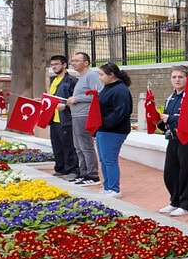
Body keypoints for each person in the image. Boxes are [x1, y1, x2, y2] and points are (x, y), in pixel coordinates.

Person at [157, 65, 188, 217]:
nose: (177, 80)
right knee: (170, 172)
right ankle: (175, 201)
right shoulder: (170, 98)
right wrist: (159, 121)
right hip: (173, 139)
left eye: (180, 77)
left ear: (187, 78)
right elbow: (167, 122)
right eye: (174, 77)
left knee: (186, 172)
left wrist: (170, 118)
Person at [94, 62, 133, 198]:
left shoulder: (120, 90)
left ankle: (114, 189)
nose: (100, 77)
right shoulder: (108, 87)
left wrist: (103, 123)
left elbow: (120, 112)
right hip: (103, 129)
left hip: (114, 130)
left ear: (111, 75)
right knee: (104, 160)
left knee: (110, 159)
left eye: (102, 75)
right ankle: (107, 186)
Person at [66, 52, 102, 186]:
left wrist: (77, 99)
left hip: (84, 115)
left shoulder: (91, 75)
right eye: (72, 61)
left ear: (86, 63)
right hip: (76, 115)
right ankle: (83, 173)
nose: (73, 63)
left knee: (86, 146)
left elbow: (98, 94)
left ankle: (92, 175)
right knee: (78, 147)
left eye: (77, 60)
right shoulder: (81, 77)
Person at [47, 55, 78, 180]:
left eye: (56, 64)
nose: (54, 67)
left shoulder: (71, 81)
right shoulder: (52, 80)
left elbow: (76, 99)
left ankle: (73, 170)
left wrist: (65, 106)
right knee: (57, 145)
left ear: (64, 65)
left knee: (68, 146)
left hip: (66, 119)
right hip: (53, 118)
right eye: (52, 64)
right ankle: (60, 168)